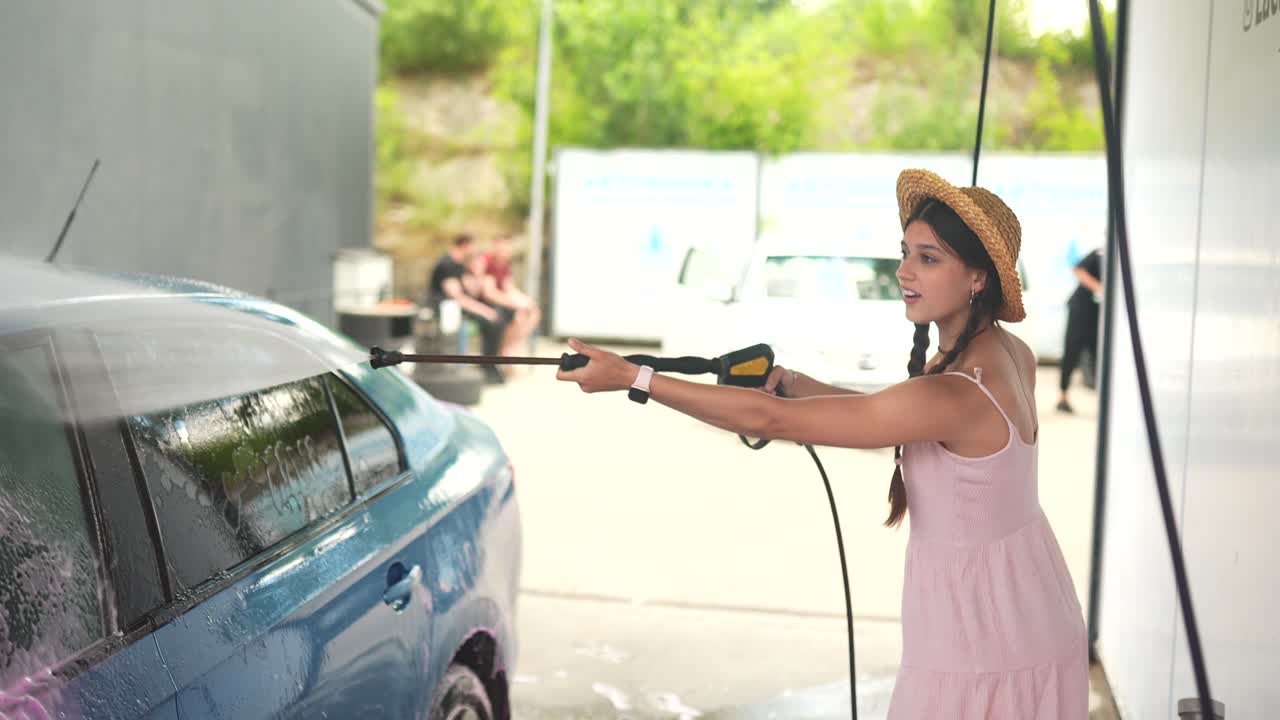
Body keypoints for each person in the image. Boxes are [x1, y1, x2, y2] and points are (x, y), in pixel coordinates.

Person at [557, 169, 1088, 718]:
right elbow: (894, 419)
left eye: (929, 259)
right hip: (1027, 613)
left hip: (982, 645)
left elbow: (775, 421)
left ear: (978, 277)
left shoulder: (956, 391)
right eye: (905, 252)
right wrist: (798, 385)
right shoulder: (1003, 354)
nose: (904, 272)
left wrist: (635, 378)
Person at [429, 234, 510, 384]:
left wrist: (478, 273)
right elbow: (458, 298)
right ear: (465, 245)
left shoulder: (460, 265)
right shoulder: (447, 265)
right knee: (490, 321)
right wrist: (484, 311)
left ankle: (491, 364)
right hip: (447, 309)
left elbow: (472, 293)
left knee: (498, 317)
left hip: (459, 307)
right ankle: (487, 366)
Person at [1058, 247, 1103, 413]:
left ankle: (1102, 402)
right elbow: (1078, 270)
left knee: (1099, 358)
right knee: (1071, 353)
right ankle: (1063, 397)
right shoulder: (1099, 253)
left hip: (1098, 316)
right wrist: (1099, 287)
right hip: (1080, 312)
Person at [482, 234, 542, 355]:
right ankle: (505, 350)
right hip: (488, 304)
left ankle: (510, 347)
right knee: (519, 315)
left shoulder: (504, 264)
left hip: (501, 301)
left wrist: (526, 301)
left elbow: (509, 288)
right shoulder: (488, 262)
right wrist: (515, 304)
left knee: (533, 312)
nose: (505, 252)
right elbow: (489, 293)